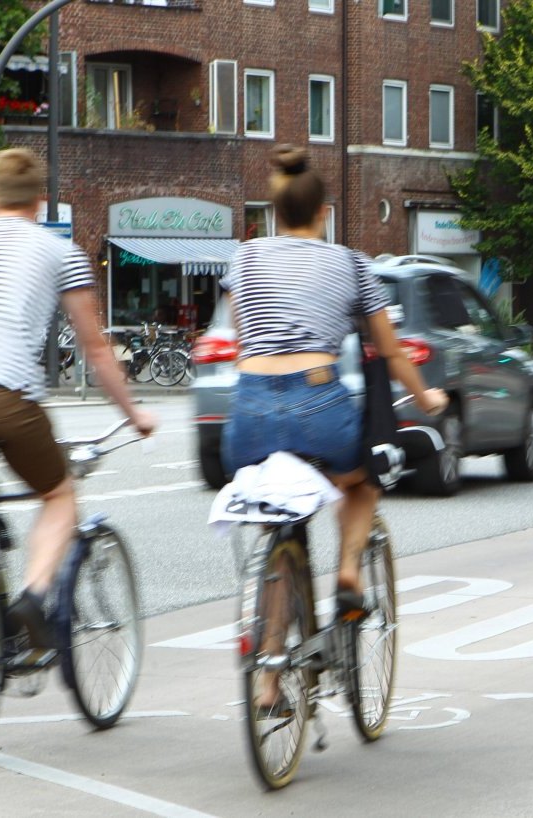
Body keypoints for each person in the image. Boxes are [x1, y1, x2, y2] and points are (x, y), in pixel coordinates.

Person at [0, 147, 156, 664]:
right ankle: (34, 601)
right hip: (2, 394)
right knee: (59, 496)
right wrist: (134, 413)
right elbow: (95, 349)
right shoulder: (58, 252)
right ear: (42, 202)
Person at [221, 145, 447, 703]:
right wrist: (429, 398)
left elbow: (239, 336)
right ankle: (348, 570)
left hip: (247, 412)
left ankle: (269, 680)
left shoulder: (244, 259)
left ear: (273, 213)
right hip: (318, 403)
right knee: (363, 478)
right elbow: (391, 353)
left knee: (279, 523)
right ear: (324, 213)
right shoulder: (350, 263)